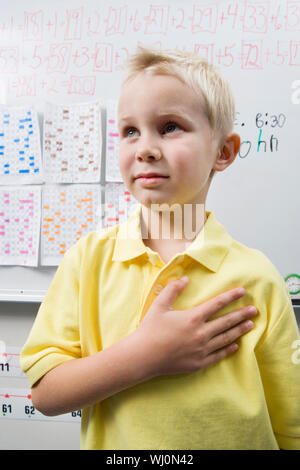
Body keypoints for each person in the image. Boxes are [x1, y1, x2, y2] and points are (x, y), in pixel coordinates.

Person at [20, 47, 300, 450]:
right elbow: (46, 394)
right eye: (130, 131)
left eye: (169, 127)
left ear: (223, 152)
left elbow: (290, 421)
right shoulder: (89, 260)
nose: (145, 148)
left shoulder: (257, 275)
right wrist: (144, 356)